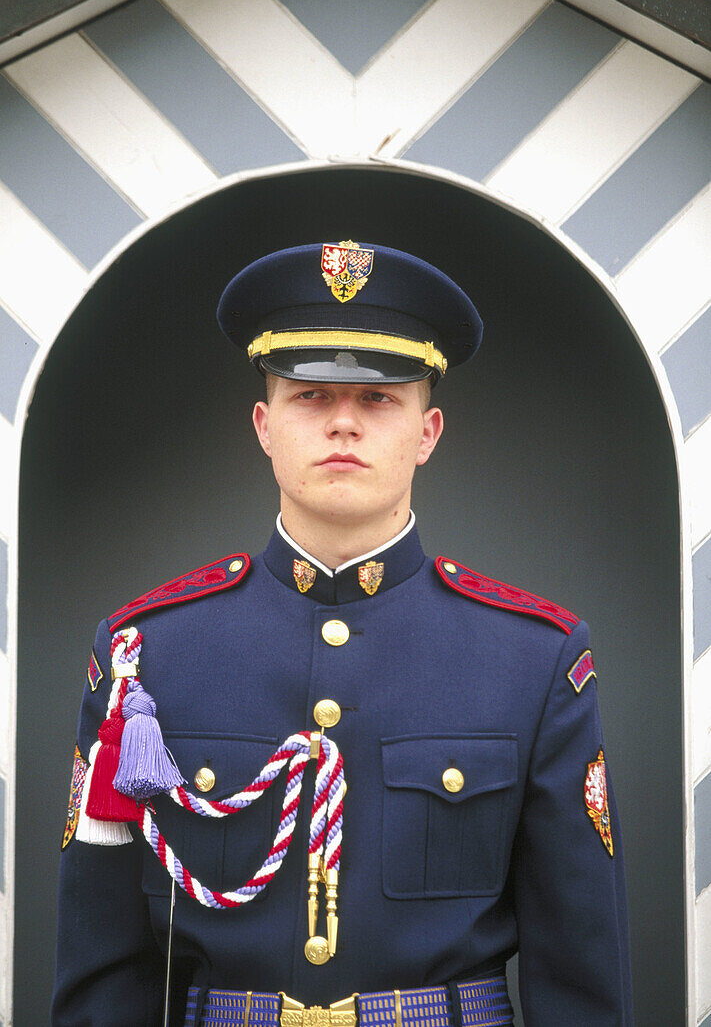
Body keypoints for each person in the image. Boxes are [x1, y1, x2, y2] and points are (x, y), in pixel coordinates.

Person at [52, 240, 633, 1026]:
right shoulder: (144, 655)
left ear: (427, 432)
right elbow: (102, 959)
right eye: (309, 398)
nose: (343, 425)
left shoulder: (533, 659)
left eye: (379, 399)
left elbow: (580, 967)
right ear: (264, 424)